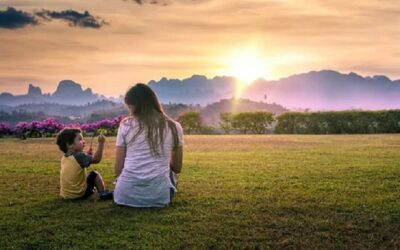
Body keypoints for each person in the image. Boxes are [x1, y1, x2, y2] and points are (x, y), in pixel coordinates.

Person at [113, 83, 183, 207]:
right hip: (159, 197)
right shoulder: (174, 127)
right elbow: (177, 168)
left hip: (124, 196)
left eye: (130, 107)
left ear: (135, 106)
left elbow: (118, 169)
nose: (130, 111)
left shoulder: (125, 126)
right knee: (170, 173)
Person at [56, 128, 113, 200]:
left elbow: (79, 161)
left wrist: (87, 155)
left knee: (87, 176)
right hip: (79, 194)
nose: (83, 141)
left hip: (66, 195)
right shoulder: (79, 156)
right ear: (69, 145)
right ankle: (103, 193)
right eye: (80, 139)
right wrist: (101, 143)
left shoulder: (64, 158)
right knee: (94, 174)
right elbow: (96, 159)